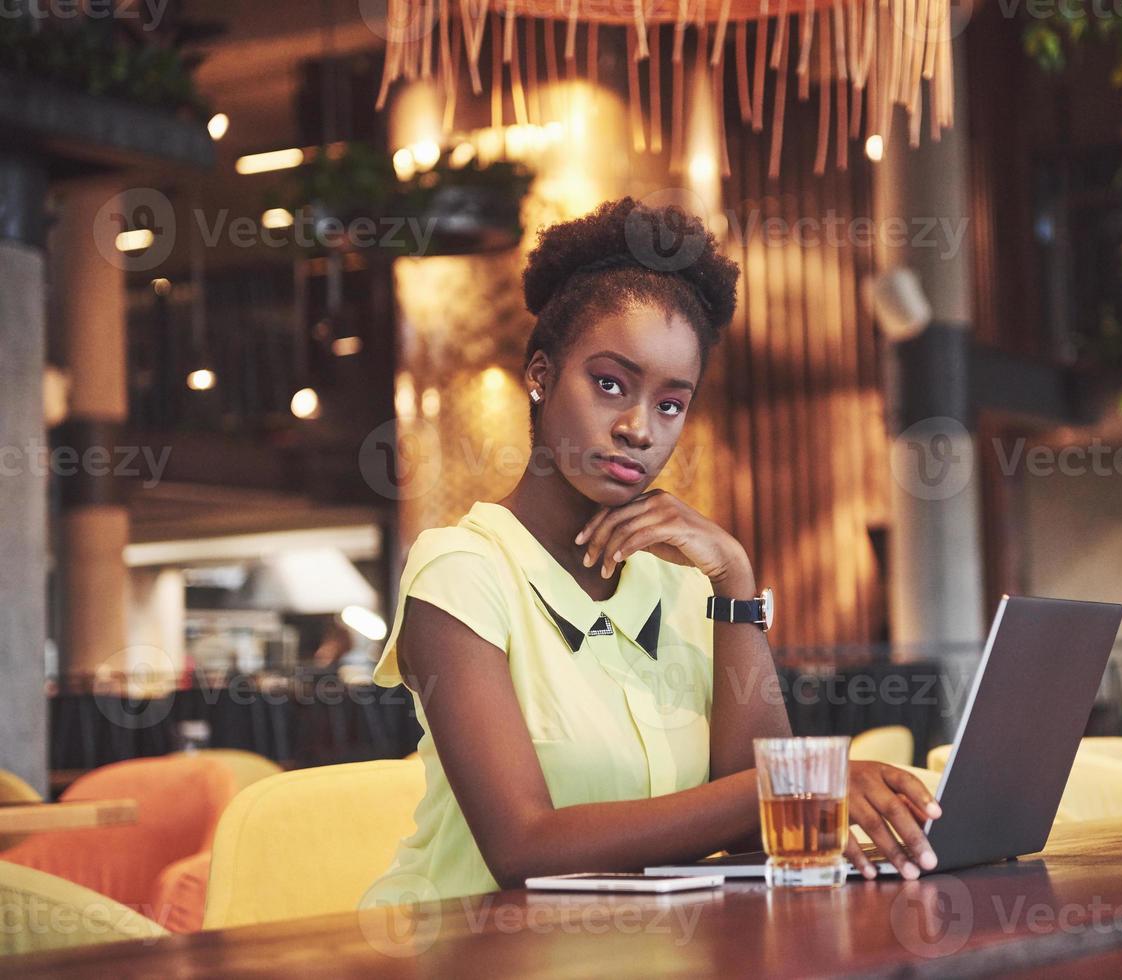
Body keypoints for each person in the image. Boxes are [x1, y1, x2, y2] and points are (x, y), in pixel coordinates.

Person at [360, 198, 940, 909]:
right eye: (610, 384)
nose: (639, 428)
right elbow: (524, 848)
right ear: (539, 375)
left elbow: (761, 843)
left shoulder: (690, 588)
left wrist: (734, 579)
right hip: (473, 954)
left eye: (670, 403)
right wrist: (789, 784)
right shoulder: (461, 573)